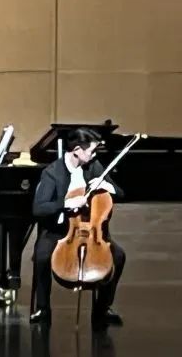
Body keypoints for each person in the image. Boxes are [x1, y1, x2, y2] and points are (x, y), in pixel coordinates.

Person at [29, 127, 125, 329]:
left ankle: (102, 308)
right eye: (91, 151)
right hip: (59, 231)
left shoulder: (94, 166)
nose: (94, 155)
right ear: (77, 150)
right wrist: (66, 203)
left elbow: (120, 192)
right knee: (42, 257)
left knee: (118, 256)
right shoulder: (52, 173)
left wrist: (106, 185)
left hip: (93, 230)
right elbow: (39, 208)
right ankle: (42, 308)